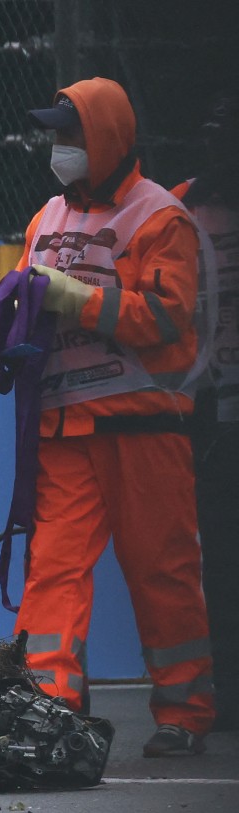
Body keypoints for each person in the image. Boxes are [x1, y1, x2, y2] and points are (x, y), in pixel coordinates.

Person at [13, 78, 213, 755]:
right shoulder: (45, 218)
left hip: (143, 428)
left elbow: (167, 316)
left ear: (105, 140)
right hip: (67, 429)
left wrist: (74, 298)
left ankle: (183, 715)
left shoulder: (161, 218)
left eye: (69, 136)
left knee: (163, 572)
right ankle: (49, 707)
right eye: (55, 136)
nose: (58, 148)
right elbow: (22, 294)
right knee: (54, 569)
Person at [176, 98, 237, 734]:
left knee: (216, 548)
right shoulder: (179, 206)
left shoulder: (182, 204)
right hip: (209, 399)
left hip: (208, 397)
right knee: (214, 548)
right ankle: (222, 679)